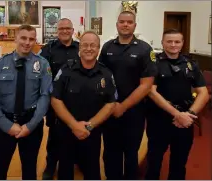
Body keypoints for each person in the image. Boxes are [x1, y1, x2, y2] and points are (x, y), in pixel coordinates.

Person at [0, 24, 52, 180]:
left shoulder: (42, 65)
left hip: (31, 124)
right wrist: (8, 126)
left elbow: (45, 96)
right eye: (23, 38)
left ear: (35, 41)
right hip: (2, 124)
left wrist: (31, 125)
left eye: (31, 39)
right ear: (16, 39)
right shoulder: (0, 64)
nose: (27, 43)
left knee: (29, 170)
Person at [98, 11, 158, 180]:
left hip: (134, 112)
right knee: (110, 152)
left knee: (131, 153)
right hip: (109, 109)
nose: (125, 25)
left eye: (129, 22)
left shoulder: (145, 49)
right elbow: (101, 76)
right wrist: (110, 105)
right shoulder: (107, 47)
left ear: (134, 25)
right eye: (122, 22)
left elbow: (146, 85)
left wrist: (123, 106)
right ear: (117, 24)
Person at [145, 29, 209, 180]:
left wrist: (190, 114)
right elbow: (151, 92)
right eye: (169, 41)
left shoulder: (191, 64)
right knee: (154, 162)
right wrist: (177, 114)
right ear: (162, 43)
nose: (173, 45)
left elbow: (204, 93)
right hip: (159, 120)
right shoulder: (153, 64)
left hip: (184, 121)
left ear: (182, 44)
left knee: (179, 164)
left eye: (177, 42)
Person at [51, 30, 116, 180]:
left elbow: (110, 103)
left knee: (92, 170)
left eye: (93, 45)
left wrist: (89, 126)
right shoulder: (66, 70)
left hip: (91, 131)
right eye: (85, 45)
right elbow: (55, 99)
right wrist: (74, 125)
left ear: (98, 49)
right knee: (65, 171)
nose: (88, 48)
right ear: (79, 48)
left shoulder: (106, 74)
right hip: (67, 130)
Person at [39, 18, 80, 180]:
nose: (64, 31)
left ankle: (77, 160)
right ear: (57, 30)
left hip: (77, 101)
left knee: (76, 131)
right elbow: (41, 75)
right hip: (55, 102)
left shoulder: (80, 47)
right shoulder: (48, 50)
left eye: (67, 28)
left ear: (72, 30)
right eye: (61, 28)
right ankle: (50, 165)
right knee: (55, 136)